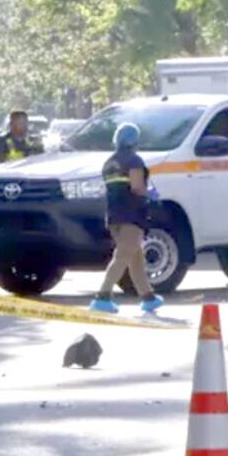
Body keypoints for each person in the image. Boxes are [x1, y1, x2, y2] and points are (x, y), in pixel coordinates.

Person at [89, 123, 162, 314]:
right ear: (134, 140)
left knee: (135, 257)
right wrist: (151, 193)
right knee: (122, 256)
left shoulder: (110, 162)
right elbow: (137, 187)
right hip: (132, 214)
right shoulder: (134, 161)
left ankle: (148, 297)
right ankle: (102, 297)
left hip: (115, 216)